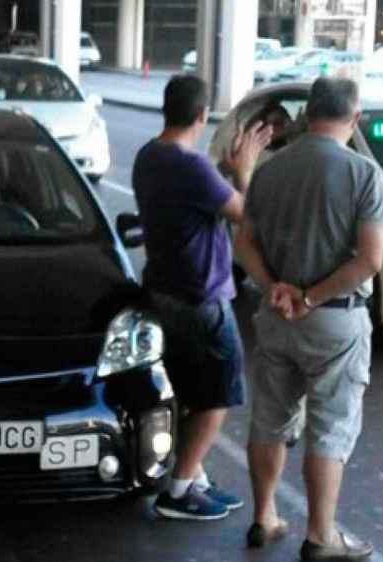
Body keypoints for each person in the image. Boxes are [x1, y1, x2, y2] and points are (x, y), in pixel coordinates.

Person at [235, 77, 383, 562]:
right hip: (332, 322)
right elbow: (369, 261)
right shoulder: (363, 174)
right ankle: (321, 534)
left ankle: (264, 517)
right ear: (355, 117)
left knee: (270, 419)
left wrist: (275, 288)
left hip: (276, 316)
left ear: (307, 114)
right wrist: (311, 296)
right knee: (330, 426)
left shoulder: (271, 169)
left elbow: (243, 244)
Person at [133, 75, 271, 521]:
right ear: (202, 115)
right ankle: (178, 489)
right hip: (200, 299)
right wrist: (246, 171)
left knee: (191, 393)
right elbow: (247, 217)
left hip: (164, 290)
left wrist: (227, 172)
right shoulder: (190, 167)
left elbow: (203, 198)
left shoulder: (149, 156)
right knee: (218, 399)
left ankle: (193, 479)